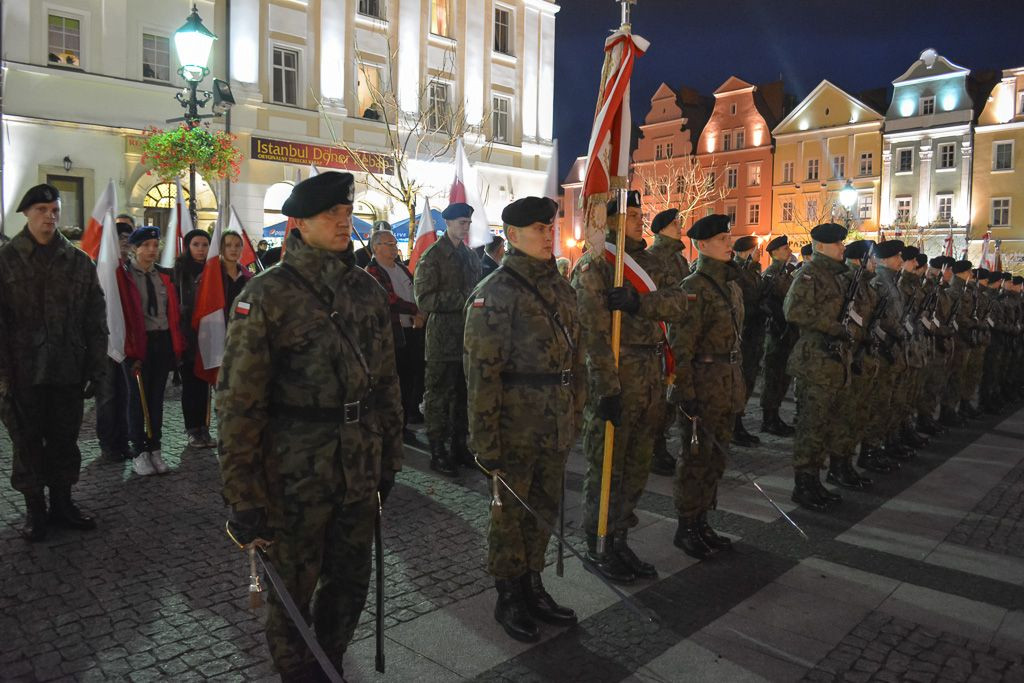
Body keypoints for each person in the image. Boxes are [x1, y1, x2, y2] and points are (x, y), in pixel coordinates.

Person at [218, 171, 403, 680]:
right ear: (298, 224)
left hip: (358, 465)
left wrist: (390, 456)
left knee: (350, 578)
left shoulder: (366, 292)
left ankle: (332, 658)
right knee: (293, 587)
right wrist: (243, 494)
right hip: (294, 472)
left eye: (346, 214)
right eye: (331, 215)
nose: (344, 222)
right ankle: (298, 672)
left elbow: (386, 381)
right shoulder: (267, 295)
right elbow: (238, 403)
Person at [464, 196, 585, 643]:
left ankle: (534, 583)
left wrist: (576, 409)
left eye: (549, 226)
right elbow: (481, 374)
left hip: (554, 422)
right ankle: (509, 595)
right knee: (509, 514)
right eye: (538, 228)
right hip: (514, 425)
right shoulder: (494, 293)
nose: (547, 233)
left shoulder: (562, 288)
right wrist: (485, 443)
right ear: (512, 236)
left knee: (544, 508)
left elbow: (578, 355)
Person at [572, 190, 688, 583]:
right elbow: (591, 334)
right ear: (610, 222)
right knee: (607, 468)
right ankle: (599, 542)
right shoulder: (595, 267)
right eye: (630, 214)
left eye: (640, 213)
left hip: (650, 374)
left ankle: (621, 538)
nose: (639, 219)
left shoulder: (654, 262)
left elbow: (680, 303)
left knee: (637, 466)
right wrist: (605, 388)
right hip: (616, 375)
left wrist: (640, 303)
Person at [0, 184, 108, 541]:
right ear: (27, 214)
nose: (50, 216)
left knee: (64, 440)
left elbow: (95, 318)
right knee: (26, 443)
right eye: (42, 210)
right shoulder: (6, 261)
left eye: (54, 210)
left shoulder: (78, 262)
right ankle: (35, 510)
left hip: (66, 370)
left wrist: (96, 366)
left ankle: (63, 504)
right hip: (21, 373)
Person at [666, 214, 745, 559]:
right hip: (703, 384)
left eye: (728, 238)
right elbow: (681, 347)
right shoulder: (693, 288)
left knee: (716, 458)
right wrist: (687, 394)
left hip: (726, 383)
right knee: (695, 459)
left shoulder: (730, 285)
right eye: (721, 239)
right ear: (701, 245)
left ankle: (702, 521)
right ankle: (686, 526)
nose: (729, 243)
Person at [782, 222, 849, 512]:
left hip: (831, 362)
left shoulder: (834, 276)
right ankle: (803, 484)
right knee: (811, 424)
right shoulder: (809, 274)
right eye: (838, 244)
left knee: (825, 424)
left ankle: (815, 480)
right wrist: (832, 327)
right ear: (821, 246)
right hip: (813, 360)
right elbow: (792, 311)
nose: (842, 248)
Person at [413, 202, 481, 475]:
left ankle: (459, 447)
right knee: (439, 397)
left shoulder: (470, 256)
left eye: (468, 223)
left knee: (464, 396)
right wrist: (464, 297)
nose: (466, 227)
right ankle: (438, 450)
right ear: (449, 223)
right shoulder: (433, 256)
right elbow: (425, 298)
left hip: (468, 337)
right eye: (462, 222)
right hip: (442, 338)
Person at [125, 227, 185, 476]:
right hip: (138, 344)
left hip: (162, 342)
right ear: (134, 249)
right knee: (137, 400)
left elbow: (171, 311)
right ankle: (139, 451)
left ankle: (155, 448)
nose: (152, 249)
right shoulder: (125, 277)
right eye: (146, 245)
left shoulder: (164, 276)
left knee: (156, 399)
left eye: (154, 244)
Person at [365, 229, 426, 434]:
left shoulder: (401, 268)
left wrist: (419, 310)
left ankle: (405, 420)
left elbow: (414, 291)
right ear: (376, 247)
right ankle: (392, 423)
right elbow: (388, 300)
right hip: (392, 332)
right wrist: (414, 309)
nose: (394, 248)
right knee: (395, 378)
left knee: (411, 377)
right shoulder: (373, 272)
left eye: (394, 244)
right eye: (388, 244)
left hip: (412, 329)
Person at [645, 208, 691, 476]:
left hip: (679, 333)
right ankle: (655, 447)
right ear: (661, 229)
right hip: (664, 335)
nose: (679, 226)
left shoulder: (678, 258)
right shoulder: (655, 258)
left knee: (671, 395)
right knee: (660, 397)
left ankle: (660, 442)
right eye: (675, 223)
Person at [95, 220, 138, 463]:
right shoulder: (102, 268)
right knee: (108, 395)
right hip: (105, 342)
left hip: (126, 341)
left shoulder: (129, 268)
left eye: (127, 237)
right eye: (120, 237)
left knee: (124, 394)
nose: (125, 242)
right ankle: (108, 443)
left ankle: (123, 441)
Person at [174, 229, 216, 449]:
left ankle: (204, 428)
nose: (201, 249)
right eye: (196, 245)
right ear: (188, 247)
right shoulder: (179, 272)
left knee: (205, 383)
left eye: (205, 245)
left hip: (209, 335)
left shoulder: (214, 270)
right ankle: (193, 429)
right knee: (191, 384)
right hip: (187, 336)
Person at [759, 235, 798, 436]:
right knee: (773, 377)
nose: (788, 250)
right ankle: (769, 418)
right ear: (774, 253)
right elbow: (767, 304)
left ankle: (775, 416)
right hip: (775, 334)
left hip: (785, 333)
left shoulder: (786, 273)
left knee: (782, 377)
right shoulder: (771, 274)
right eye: (784, 248)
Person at [731, 234, 764, 447]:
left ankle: (738, 421)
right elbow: (741, 301)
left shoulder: (753, 272)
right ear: (746, 252)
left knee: (749, 379)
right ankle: (734, 424)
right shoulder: (738, 272)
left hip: (755, 335)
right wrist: (756, 309)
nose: (760, 252)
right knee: (740, 382)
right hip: (744, 333)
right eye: (756, 248)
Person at [220, 231, 252, 317]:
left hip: (241, 326)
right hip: (217, 326)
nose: (233, 249)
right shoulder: (213, 276)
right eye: (228, 245)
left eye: (237, 245)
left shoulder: (248, 277)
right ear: (221, 248)